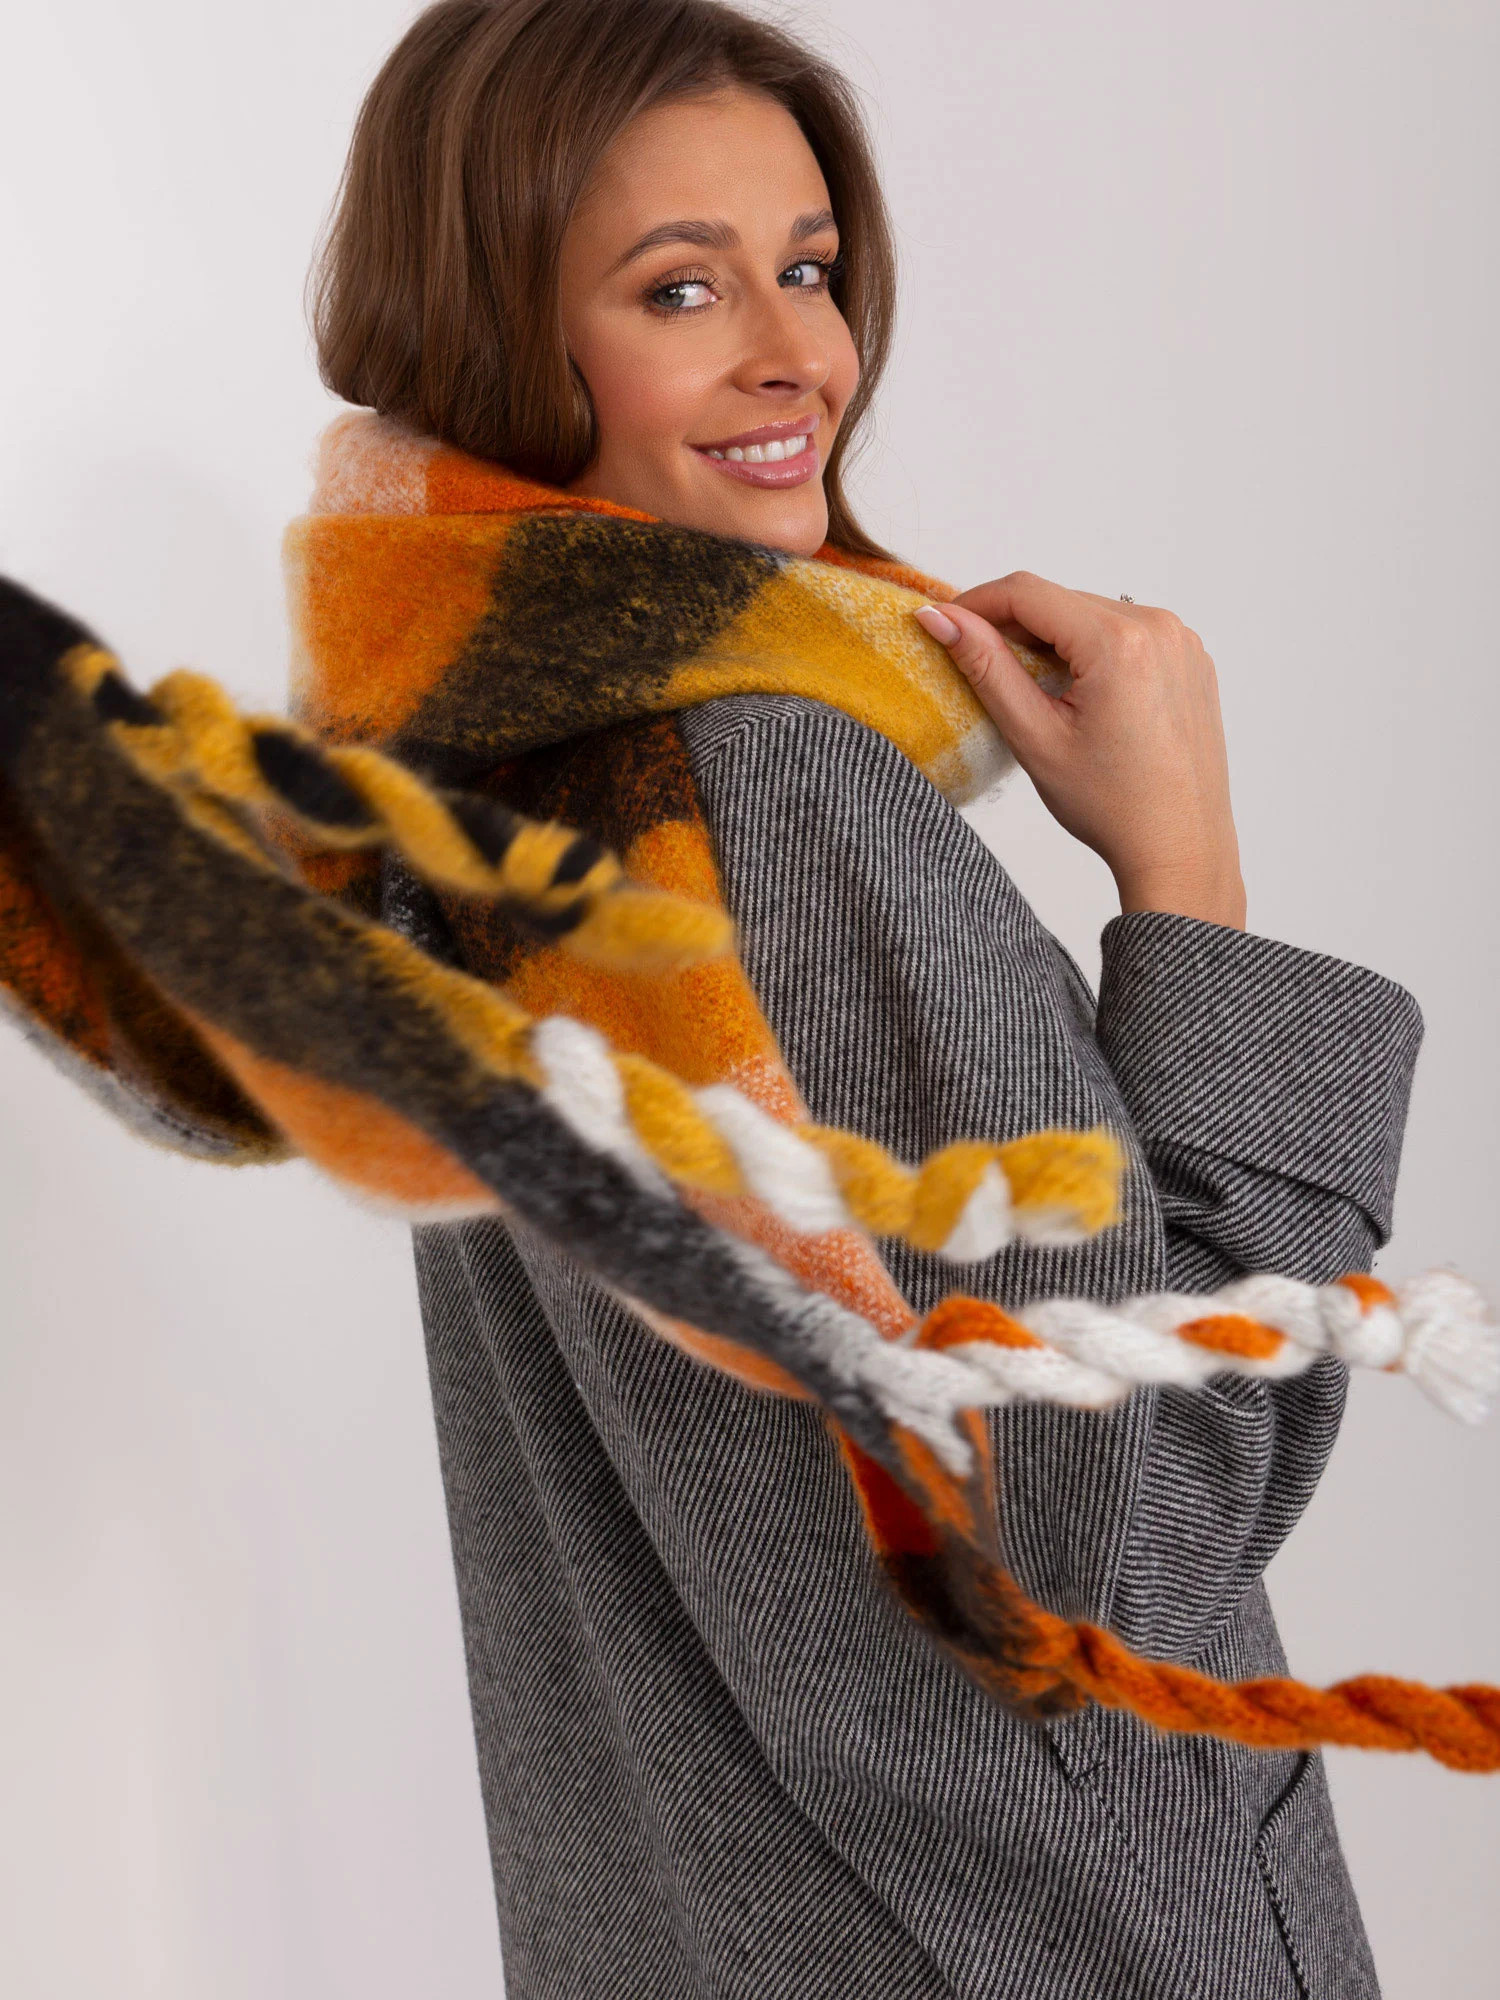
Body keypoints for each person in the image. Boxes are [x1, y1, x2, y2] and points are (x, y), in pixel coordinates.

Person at [302, 2, 1420, 1993]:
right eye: (679, 288)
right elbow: (1128, 1543)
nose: (795, 355)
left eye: (807, 268)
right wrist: (1194, 890)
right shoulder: (747, 787)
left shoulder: (467, 790)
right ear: (494, 333)